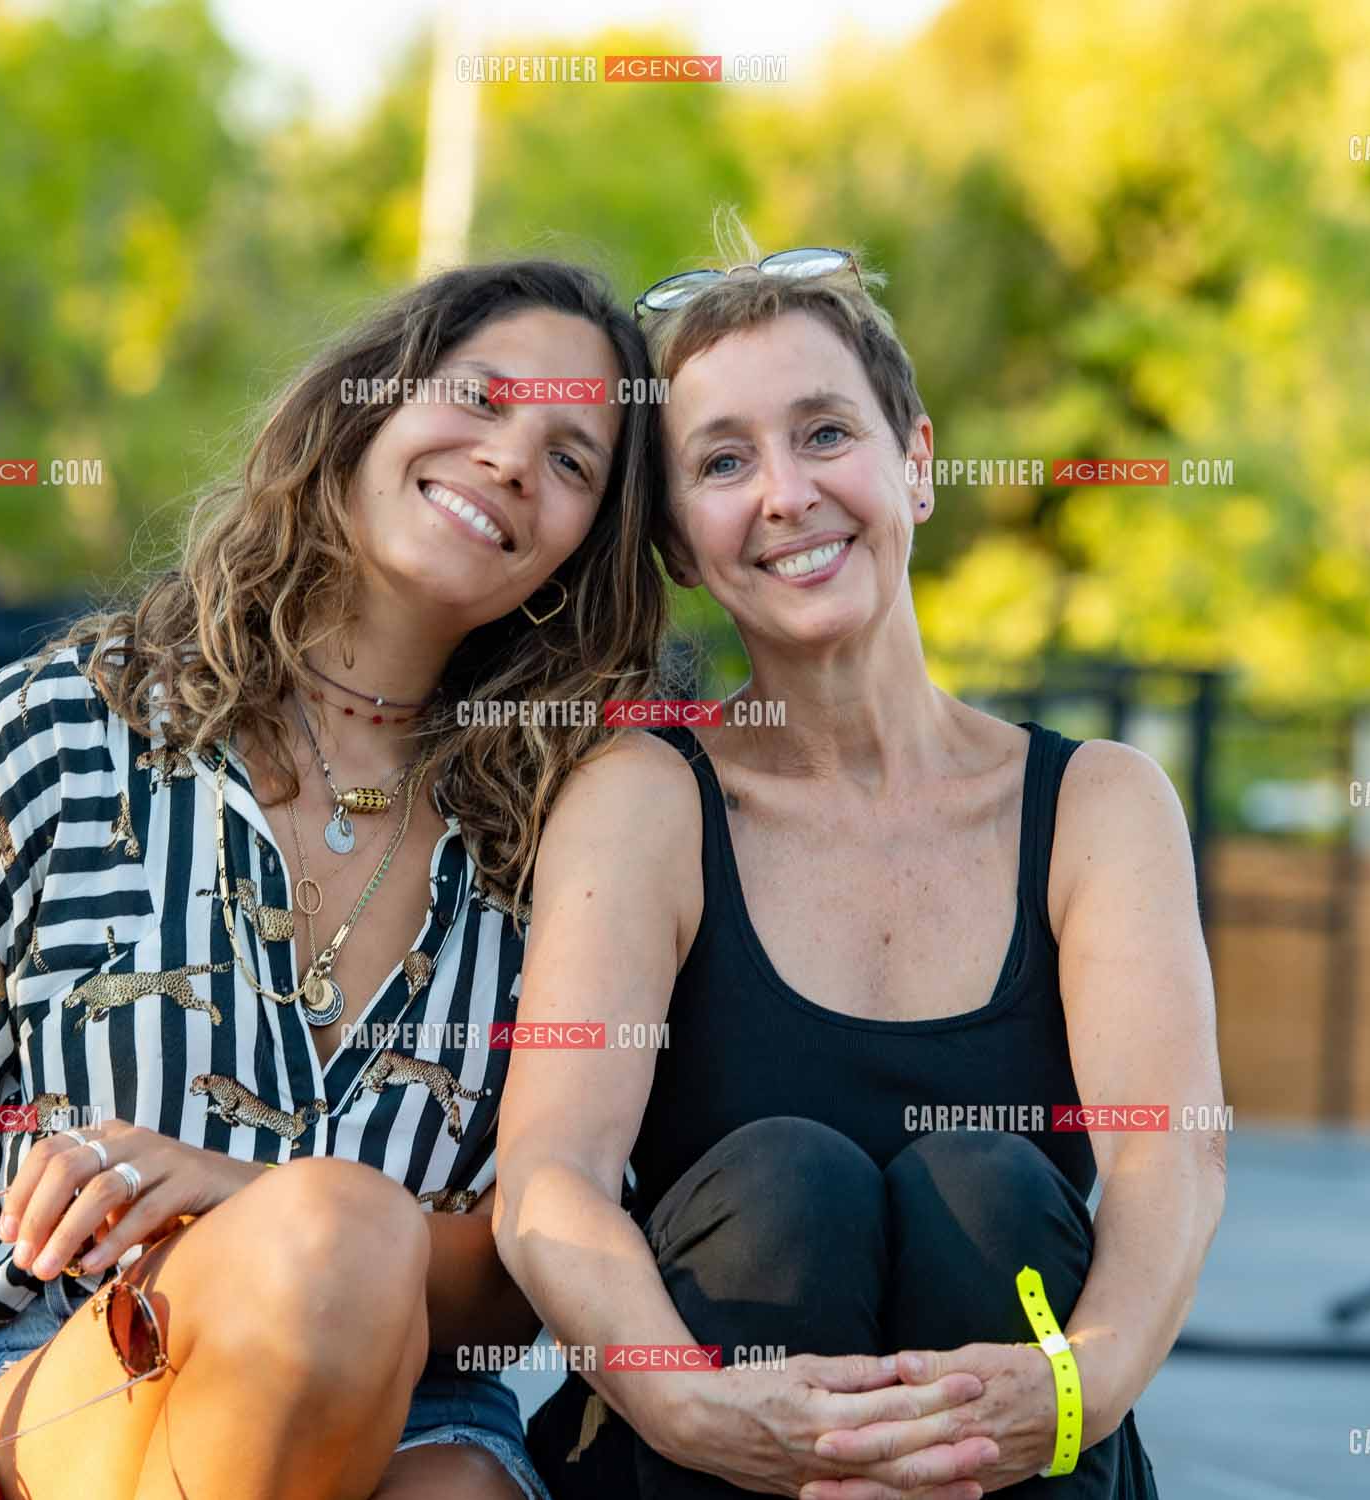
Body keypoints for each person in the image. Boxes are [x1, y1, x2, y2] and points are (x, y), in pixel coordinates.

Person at [0, 259, 668, 1500]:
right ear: (368, 403)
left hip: (422, 1418)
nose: (512, 459)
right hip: (73, 1387)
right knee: (333, 1236)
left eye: (572, 459)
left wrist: (256, 1199)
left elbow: (514, 1293)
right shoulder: (58, 734)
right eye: (479, 397)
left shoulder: (562, 840)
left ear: (583, 550)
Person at [494, 232, 1224, 1499]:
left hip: (1010, 1454)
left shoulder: (1099, 805)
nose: (784, 492)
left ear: (918, 464)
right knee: (792, 1185)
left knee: (990, 1191)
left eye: (825, 433)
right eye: (724, 461)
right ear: (679, 543)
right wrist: (697, 1408)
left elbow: (1172, 1154)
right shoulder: (642, 800)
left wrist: (1075, 1389)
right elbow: (546, 1188)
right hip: (702, 1450)